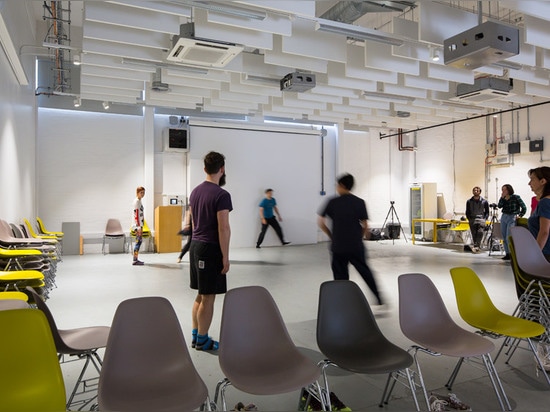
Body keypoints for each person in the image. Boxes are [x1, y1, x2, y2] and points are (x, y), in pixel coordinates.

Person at [317, 173, 384, 308]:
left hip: (338, 247)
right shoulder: (359, 202)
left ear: (341, 185)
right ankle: (378, 297)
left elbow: (321, 222)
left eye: (337, 185)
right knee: (365, 271)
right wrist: (358, 238)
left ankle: (344, 304)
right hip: (355, 246)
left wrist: (331, 236)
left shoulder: (332, 202)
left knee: (340, 277)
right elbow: (365, 226)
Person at [188, 151, 232, 351]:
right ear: (221, 169)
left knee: (201, 294)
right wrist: (225, 257)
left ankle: (197, 335)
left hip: (196, 245)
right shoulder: (222, 195)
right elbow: (223, 227)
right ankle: (203, 340)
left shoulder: (195, 192)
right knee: (209, 296)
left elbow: (194, 222)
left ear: (205, 168)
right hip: (210, 248)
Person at [498, 184, 527, 260]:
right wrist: (502, 197)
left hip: (512, 216)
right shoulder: (503, 198)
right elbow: (499, 206)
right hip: (504, 216)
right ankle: (507, 253)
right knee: (504, 236)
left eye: (505, 189)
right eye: (502, 189)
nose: (503, 191)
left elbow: (524, 207)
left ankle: (512, 254)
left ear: (509, 190)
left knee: (509, 236)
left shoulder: (516, 197)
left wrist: (520, 215)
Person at [528, 166, 550, 260]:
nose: (529, 183)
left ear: (542, 181)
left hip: (545, 254)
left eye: (532, 179)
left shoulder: (545, 202)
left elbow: (544, 231)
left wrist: (535, 255)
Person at [465, 186, 489, 253]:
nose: (476, 191)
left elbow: (487, 211)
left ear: (480, 192)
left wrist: (485, 219)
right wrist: (469, 218)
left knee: (480, 232)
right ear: (472, 192)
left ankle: (477, 246)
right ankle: (476, 246)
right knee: (474, 233)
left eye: (477, 190)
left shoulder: (484, 201)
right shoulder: (469, 201)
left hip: (481, 219)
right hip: (472, 218)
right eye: (474, 190)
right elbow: (467, 211)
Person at [131, 186, 145, 266]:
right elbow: (136, 214)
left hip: (140, 225)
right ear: (137, 193)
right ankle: (135, 260)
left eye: (143, 192)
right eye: (141, 192)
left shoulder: (139, 201)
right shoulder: (136, 201)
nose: (142, 194)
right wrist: (138, 227)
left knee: (139, 242)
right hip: (137, 225)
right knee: (138, 242)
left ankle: (135, 259)